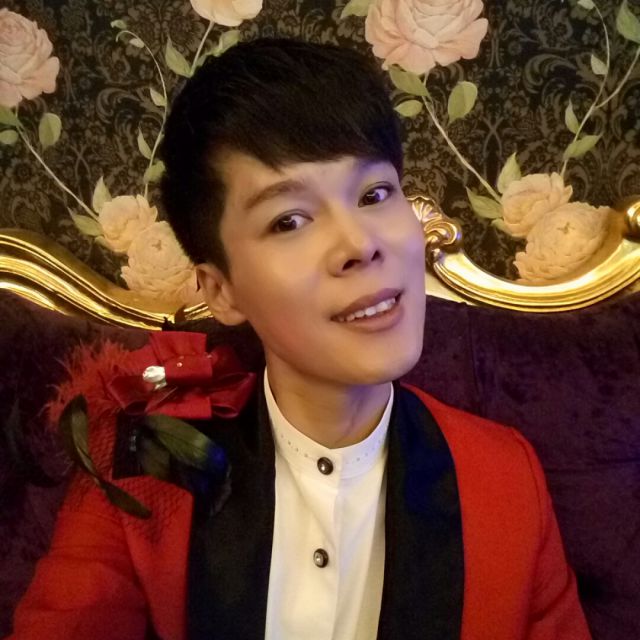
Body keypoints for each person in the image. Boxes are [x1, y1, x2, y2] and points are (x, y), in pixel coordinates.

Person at [9, 38, 591, 640]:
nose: (359, 244)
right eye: (289, 220)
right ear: (221, 291)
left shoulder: (504, 478)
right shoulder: (145, 461)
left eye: (374, 194)